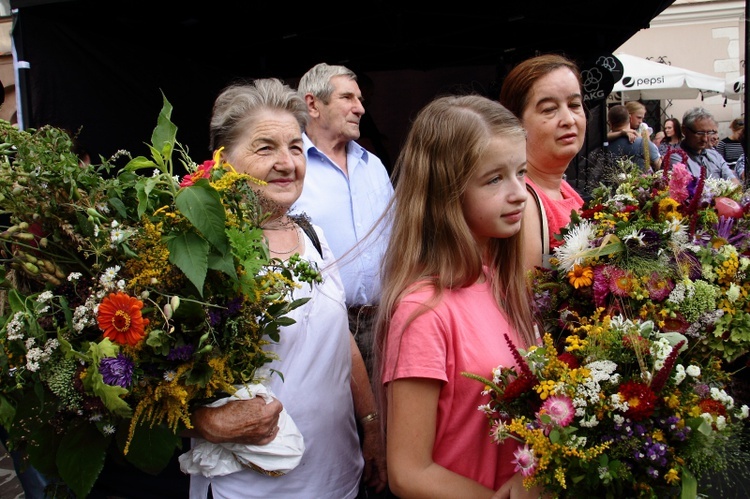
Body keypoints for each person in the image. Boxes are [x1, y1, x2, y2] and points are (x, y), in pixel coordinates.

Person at [189, 78, 387, 498]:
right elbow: (144, 383)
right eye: (266, 148)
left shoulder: (311, 232)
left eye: (295, 147)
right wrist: (204, 421)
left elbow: (340, 337)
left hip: (337, 476)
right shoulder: (201, 250)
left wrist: (371, 427)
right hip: (250, 487)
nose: (287, 163)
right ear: (223, 161)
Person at [373, 94, 542, 499]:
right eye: (494, 179)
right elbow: (409, 472)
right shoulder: (423, 311)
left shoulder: (500, 282)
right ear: (445, 194)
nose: (519, 192)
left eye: (521, 172)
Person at [292, 63, 393, 381]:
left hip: (383, 323)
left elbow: (397, 236)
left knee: (388, 419)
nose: (360, 108)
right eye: (347, 97)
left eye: (360, 99)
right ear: (313, 104)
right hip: (322, 329)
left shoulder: (373, 165)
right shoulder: (291, 169)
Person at [499, 53, 586, 271]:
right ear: (517, 122)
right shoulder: (522, 202)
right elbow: (530, 298)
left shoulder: (563, 188)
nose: (568, 120)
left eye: (574, 104)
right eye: (549, 109)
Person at [667, 107, 740, 185]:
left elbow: (734, 182)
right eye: (700, 133)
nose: (705, 139)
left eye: (709, 133)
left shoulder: (714, 154)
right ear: (684, 130)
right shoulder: (675, 157)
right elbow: (688, 189)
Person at [604, 104, 661, 171]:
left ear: (609, 123)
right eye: (639, 117)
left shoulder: (603, 144)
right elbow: (658, 164)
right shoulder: (640, 142)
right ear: (630, 117)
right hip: (640, 180)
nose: (641, 121)